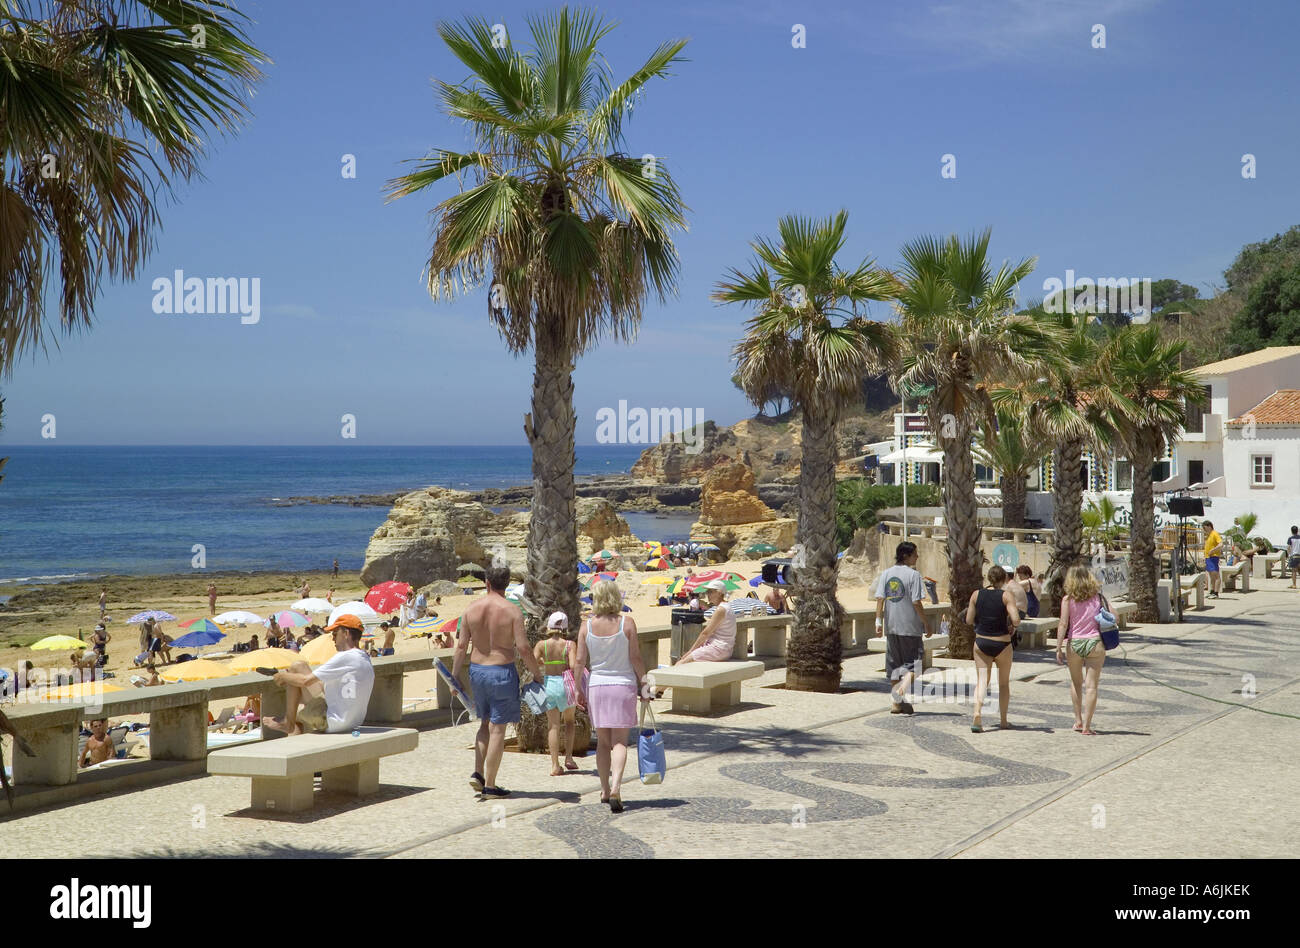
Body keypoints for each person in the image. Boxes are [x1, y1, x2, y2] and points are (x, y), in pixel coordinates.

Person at [451, 561, 543, 799]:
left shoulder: (471, 609)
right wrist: (536, 673)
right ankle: (490, 785)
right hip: (502, 671)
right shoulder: (512, 611)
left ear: (487, 583)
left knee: (484, 723)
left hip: (477, 671)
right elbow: (523, 647)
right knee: (498, 729)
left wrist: (453, 677)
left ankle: (478, 773)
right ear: (507, 584)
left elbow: (461, 646)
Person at [576, 581, 652, 812]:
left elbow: (579, 661)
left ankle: (604, 789)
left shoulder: (586, 626)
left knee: (602, 743)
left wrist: (579, 689)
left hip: (597, 685)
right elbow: (636, 657)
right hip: (623, 685)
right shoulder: (627, 623)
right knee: (620, 741)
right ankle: (617, 786)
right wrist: (645, 683)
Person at [264, 614, 375, 735]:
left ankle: (288, 723)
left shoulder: (345, 657)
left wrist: (282, 676)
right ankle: (290, 724)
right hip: (352, 722)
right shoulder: (363, 657)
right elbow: (322, 684)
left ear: (346, 634)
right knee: (298, 679)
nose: (332, 639)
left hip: (332, 722)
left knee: (296, 668)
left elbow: (305, 681)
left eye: (335, 634)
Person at [875, 541, 931, 714]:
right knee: (916, 665)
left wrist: (878, 621)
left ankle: (897, 704)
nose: (917, 557)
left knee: (894, 667)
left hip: (891, 627)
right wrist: (926, 623)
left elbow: (879, 599)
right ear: (906, 556)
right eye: (915, 554)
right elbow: (916, 601)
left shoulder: (886, 574)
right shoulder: (913, 575)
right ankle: (900, 693)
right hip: (910, 628)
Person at [965, 565, 1021, 733]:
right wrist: (1012, 625)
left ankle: (977, 713)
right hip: (1002, 644)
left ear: (988, 578)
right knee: (1003, 684)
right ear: (1004, 579)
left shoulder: (976, 594)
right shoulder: (1006, 596)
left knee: (982, 680)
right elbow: (1016, 620)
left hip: (982, 643)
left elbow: (968, 620)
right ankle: (1003, 720)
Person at [1055, 565, 1107, 735]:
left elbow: (1063, 624)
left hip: (1075, 643)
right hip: (1095, 642)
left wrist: (1058, 647)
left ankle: (1077, 720)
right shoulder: (1098, 597)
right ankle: (1087, 726)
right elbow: (1114, 614)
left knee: (1076, 682)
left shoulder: (1067, 599)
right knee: (1091, 686)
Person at [534, 611, 579, 777]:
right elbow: (573, 665)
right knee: (569, 722)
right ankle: (568, 758)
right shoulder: (569, 644)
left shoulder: (542, 645)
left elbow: (532, 660)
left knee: (552, 726)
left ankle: (554, 765)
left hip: (549, 684)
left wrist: (543, 662)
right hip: (565, 684)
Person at [676, 580, 736, 664]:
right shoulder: (727, 607)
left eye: (710, 591)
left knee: (682, 662)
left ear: (719, 593)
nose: (707, 594)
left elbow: (705, 633)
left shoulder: (720, 609)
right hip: (725, 649)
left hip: (719, 649)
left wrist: (690, 651)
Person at [1202, 520, 1223, 598]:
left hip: (1213, 557)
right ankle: (1212, 591)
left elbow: (1220, 544)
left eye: (1205, 528)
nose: (1204, 530)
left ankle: (1216, 593)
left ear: (1209, 526)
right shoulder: (1209, 535)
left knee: (1216, 575)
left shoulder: (1215, 534)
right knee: (1211, 576)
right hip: (1208, 558)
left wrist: (1213, 550)